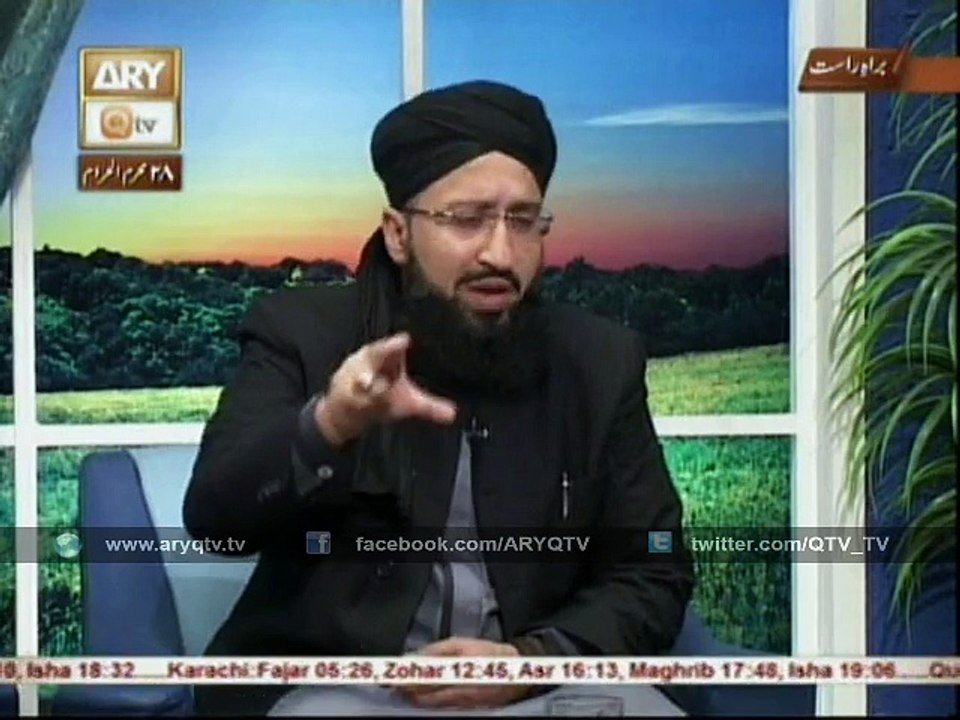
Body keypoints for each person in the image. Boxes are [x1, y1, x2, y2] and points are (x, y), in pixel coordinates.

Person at [183, 79, 695, 717]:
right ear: (399, 234)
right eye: (467, 219)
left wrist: (533, 660)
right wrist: (330, 424)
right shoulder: (302, 334)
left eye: (523, 221)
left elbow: (653, 569)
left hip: (536, 688)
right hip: (343, 690)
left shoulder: (597, 361)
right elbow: (217, 521)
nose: (500, 253)